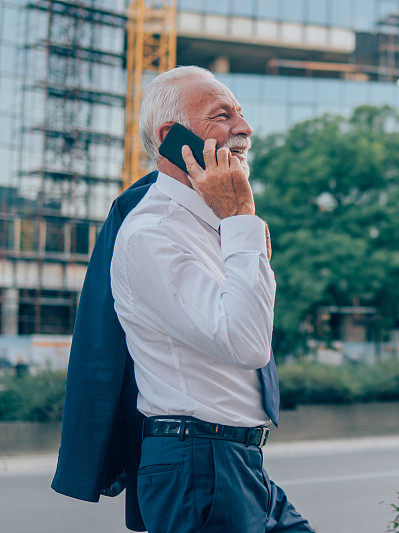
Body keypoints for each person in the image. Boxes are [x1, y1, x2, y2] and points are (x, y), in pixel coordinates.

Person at [51, 66, 313, 533]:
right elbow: (248, 343)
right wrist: (239, 221)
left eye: (241, 113)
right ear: (173, 136)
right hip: (199, 464)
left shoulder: (213, 224)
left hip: (239, 463)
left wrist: (235, 228)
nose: (244, 128)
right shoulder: (152, 232)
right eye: (222, 115)